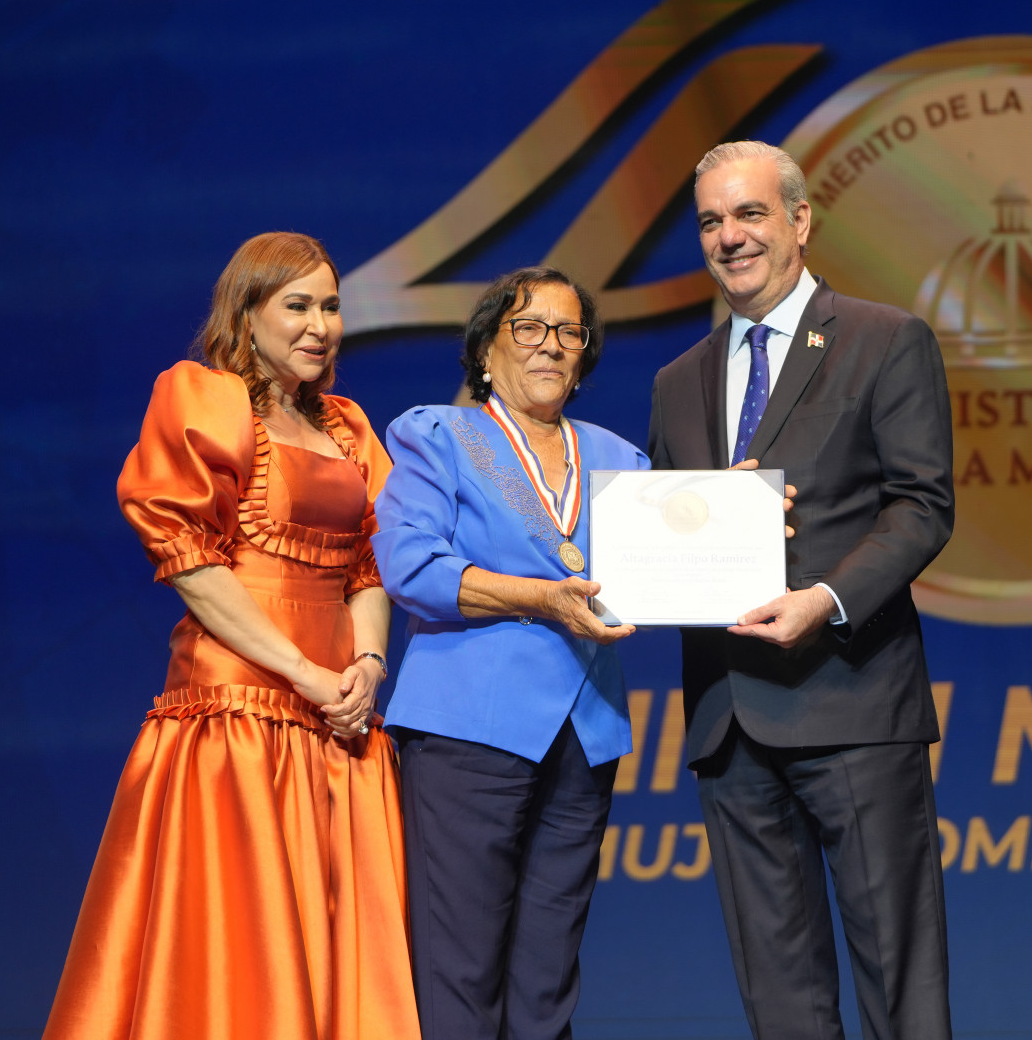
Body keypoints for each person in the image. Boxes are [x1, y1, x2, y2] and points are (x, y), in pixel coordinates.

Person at [44, 232, 419, 1040]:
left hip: (338, 725)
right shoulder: (205, 399)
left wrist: (367, 663)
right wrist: (303, 673)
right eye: (297, 306)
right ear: (246, 316)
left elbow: (372, 564)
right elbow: (190, 561)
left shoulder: (349, 427)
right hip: (239, 717)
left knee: (334, 956)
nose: (320, 325)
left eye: (330, 306)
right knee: (238, 952)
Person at [646, 140, 956, 1040]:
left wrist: (826, 596)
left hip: (850, 697)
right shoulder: (676, 382)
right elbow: (666, 529)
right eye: (711, 221)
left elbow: (923, 505)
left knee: (899, 980)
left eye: (750, 213)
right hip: (729, 722)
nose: (730, 236)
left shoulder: (884, 338)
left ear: (800, 220)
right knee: (778, 997)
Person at [371, 266, 644, 1040]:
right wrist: (540, 597)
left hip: (584, 734)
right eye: (528, 327)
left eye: (568, 331)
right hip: (468, 730)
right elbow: (410, 567)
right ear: (487, 350)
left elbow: (669, 557)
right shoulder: (440, 437)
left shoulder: (621, 458)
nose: (550, 344)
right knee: (460, 968)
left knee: (548, 977)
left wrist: (743, 516)